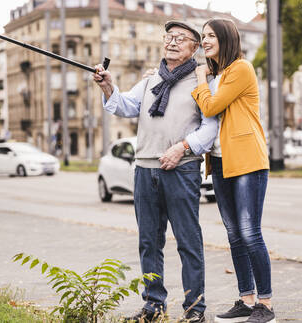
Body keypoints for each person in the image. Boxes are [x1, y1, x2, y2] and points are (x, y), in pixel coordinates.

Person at [93, 21, 218, 323]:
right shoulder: (151, 80)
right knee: (149, 242)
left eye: (181, 38)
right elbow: (123, 106)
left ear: (194, 47)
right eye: (168, 37)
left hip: (182, 170)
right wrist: (109, 85)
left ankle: (195, 309)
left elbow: (210, 126)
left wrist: (183, 148)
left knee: (188, 241)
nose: (172, 42)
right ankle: (153, 306)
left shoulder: (203, 81)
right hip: (144, 170)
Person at [192, 18, 275, 323]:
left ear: (226, 38)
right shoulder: (216, 74)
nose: (205, 40)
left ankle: (265, 305)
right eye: (203, 36)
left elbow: (211, 107)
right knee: (234, 235)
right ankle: (246, 299)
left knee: (250, 233)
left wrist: (201, 77)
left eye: (211, 35)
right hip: (222, 162)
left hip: (247, 160)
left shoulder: (241, 68)